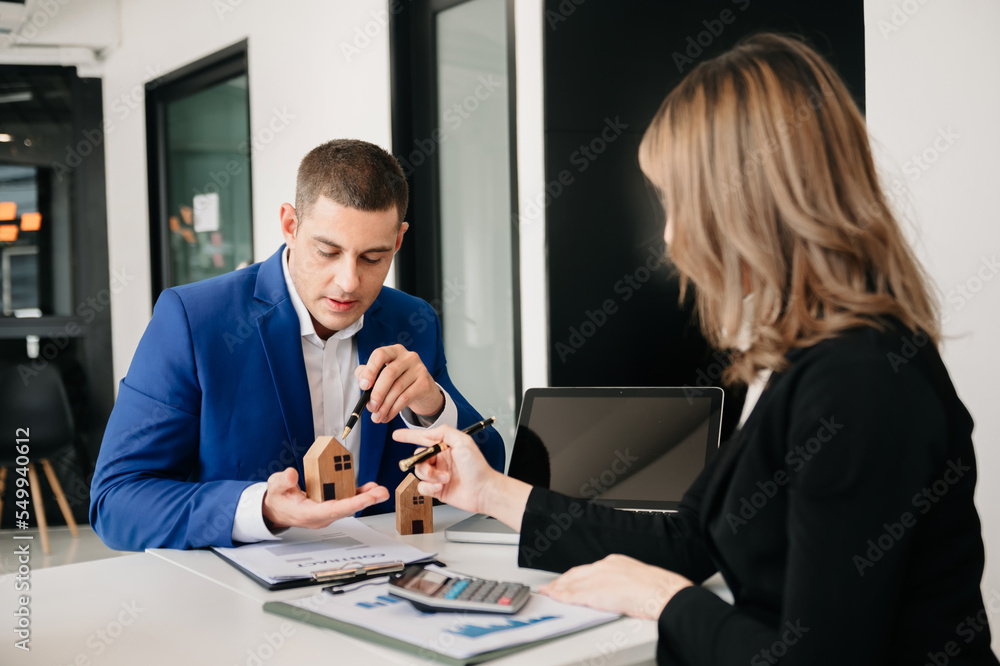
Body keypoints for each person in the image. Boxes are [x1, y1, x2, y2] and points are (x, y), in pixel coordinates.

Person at [393, 34, 999, 665]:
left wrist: (665, 601)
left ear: (751, 205)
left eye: (679, 203)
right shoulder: (803, 364)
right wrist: (488, 490)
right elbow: (686, 539)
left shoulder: (860, 382)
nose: (671, 237)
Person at [90, 139, 504, 551]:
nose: (348, 282)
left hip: (388, 585)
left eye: (373, 258)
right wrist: (261, 509)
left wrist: (433, 406)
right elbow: (116, 501)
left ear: (398, 241)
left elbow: (490, 473)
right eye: (327, 251)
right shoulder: (194, 319)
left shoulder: (412, 321)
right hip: (239, 599)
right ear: (290, 225)